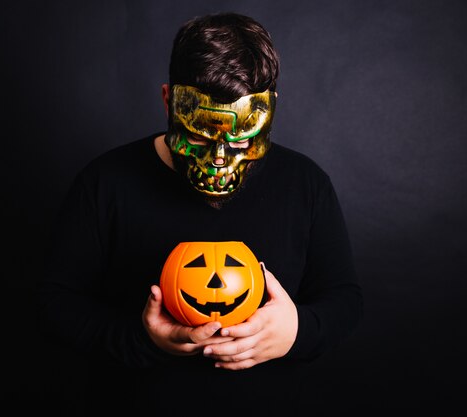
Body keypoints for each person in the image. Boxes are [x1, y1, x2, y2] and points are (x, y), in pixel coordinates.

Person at [39, 12, 363, 416]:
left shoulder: (306, 184)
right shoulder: (105, 182)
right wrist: (142, 339)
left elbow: (345, 299)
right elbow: (54, 302)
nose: (220, 158)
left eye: (243, 139)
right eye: (198, 136)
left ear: (270, 111)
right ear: (167, 101)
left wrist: (296, 331)